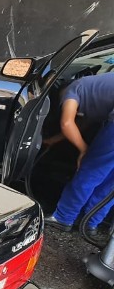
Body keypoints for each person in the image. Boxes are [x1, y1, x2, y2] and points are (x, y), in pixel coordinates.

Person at [45, 72, 114, 236]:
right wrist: (52, 140)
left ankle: (63, 217)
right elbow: (81, 123)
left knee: (90, 172)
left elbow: (67, 122)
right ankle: (91, 223)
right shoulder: (95, 91)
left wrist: (83, 150)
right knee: (110, 180)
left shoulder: (73, 88)